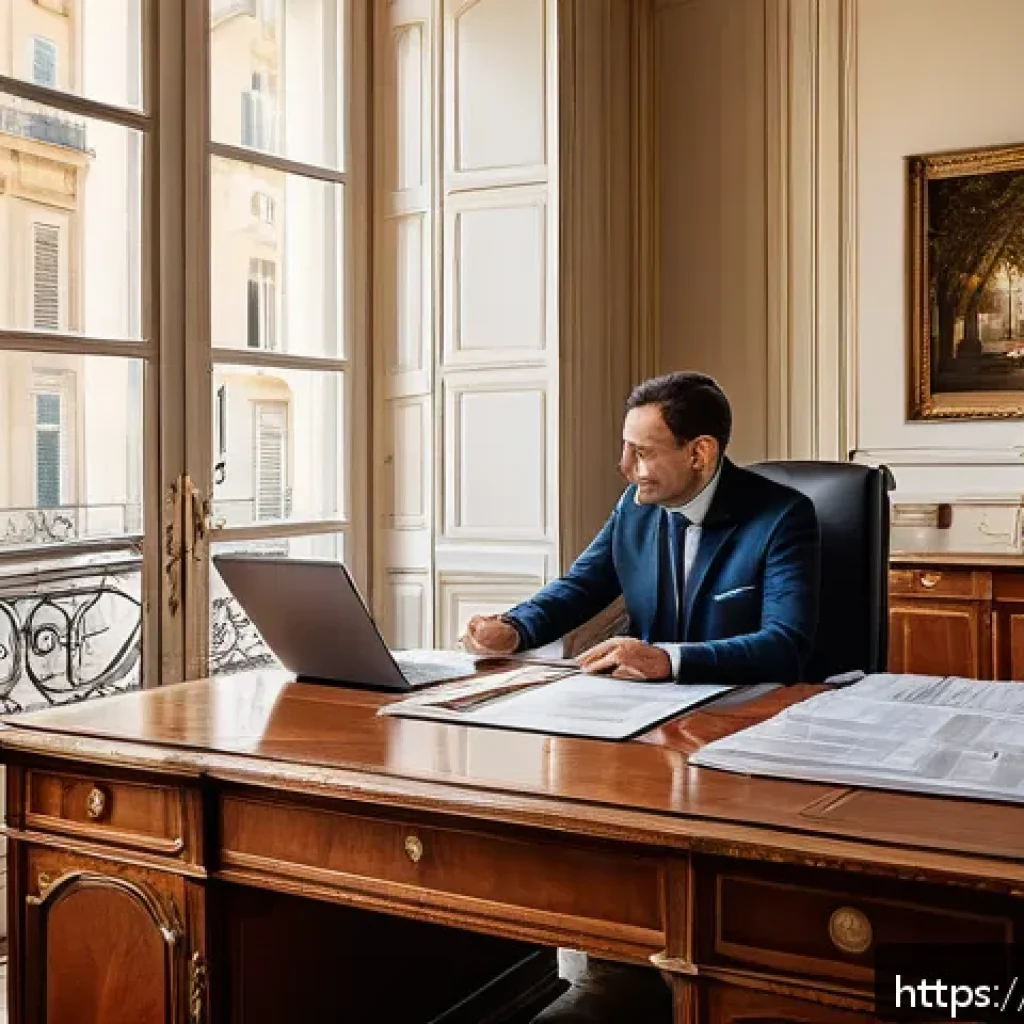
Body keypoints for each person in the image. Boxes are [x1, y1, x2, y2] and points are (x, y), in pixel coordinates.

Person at [460, 372, 820, 684]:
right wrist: (515, 628)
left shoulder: (784, 517)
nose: (623, 466)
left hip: (742, 715)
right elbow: (581, 587)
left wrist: (667, 660)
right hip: (642, 711)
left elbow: (784, 645)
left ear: (699, 454)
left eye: (642, 453)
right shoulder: (635, 508)